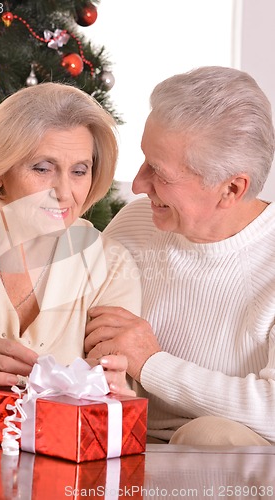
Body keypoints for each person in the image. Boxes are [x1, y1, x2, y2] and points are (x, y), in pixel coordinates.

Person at [85, 66, 275, 446]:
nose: (138, 185)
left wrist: (153, 365)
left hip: (231, 460)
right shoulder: (138, 221)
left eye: (159, 172)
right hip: (121, 433)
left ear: (231, 189)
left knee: (210, 438)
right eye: (144, 160)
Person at [0, 82, 141, 440]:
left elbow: (107, 415)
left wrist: (111, 397)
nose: (65, 192)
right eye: (43, 168)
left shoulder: (110, 265)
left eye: (79, 171)